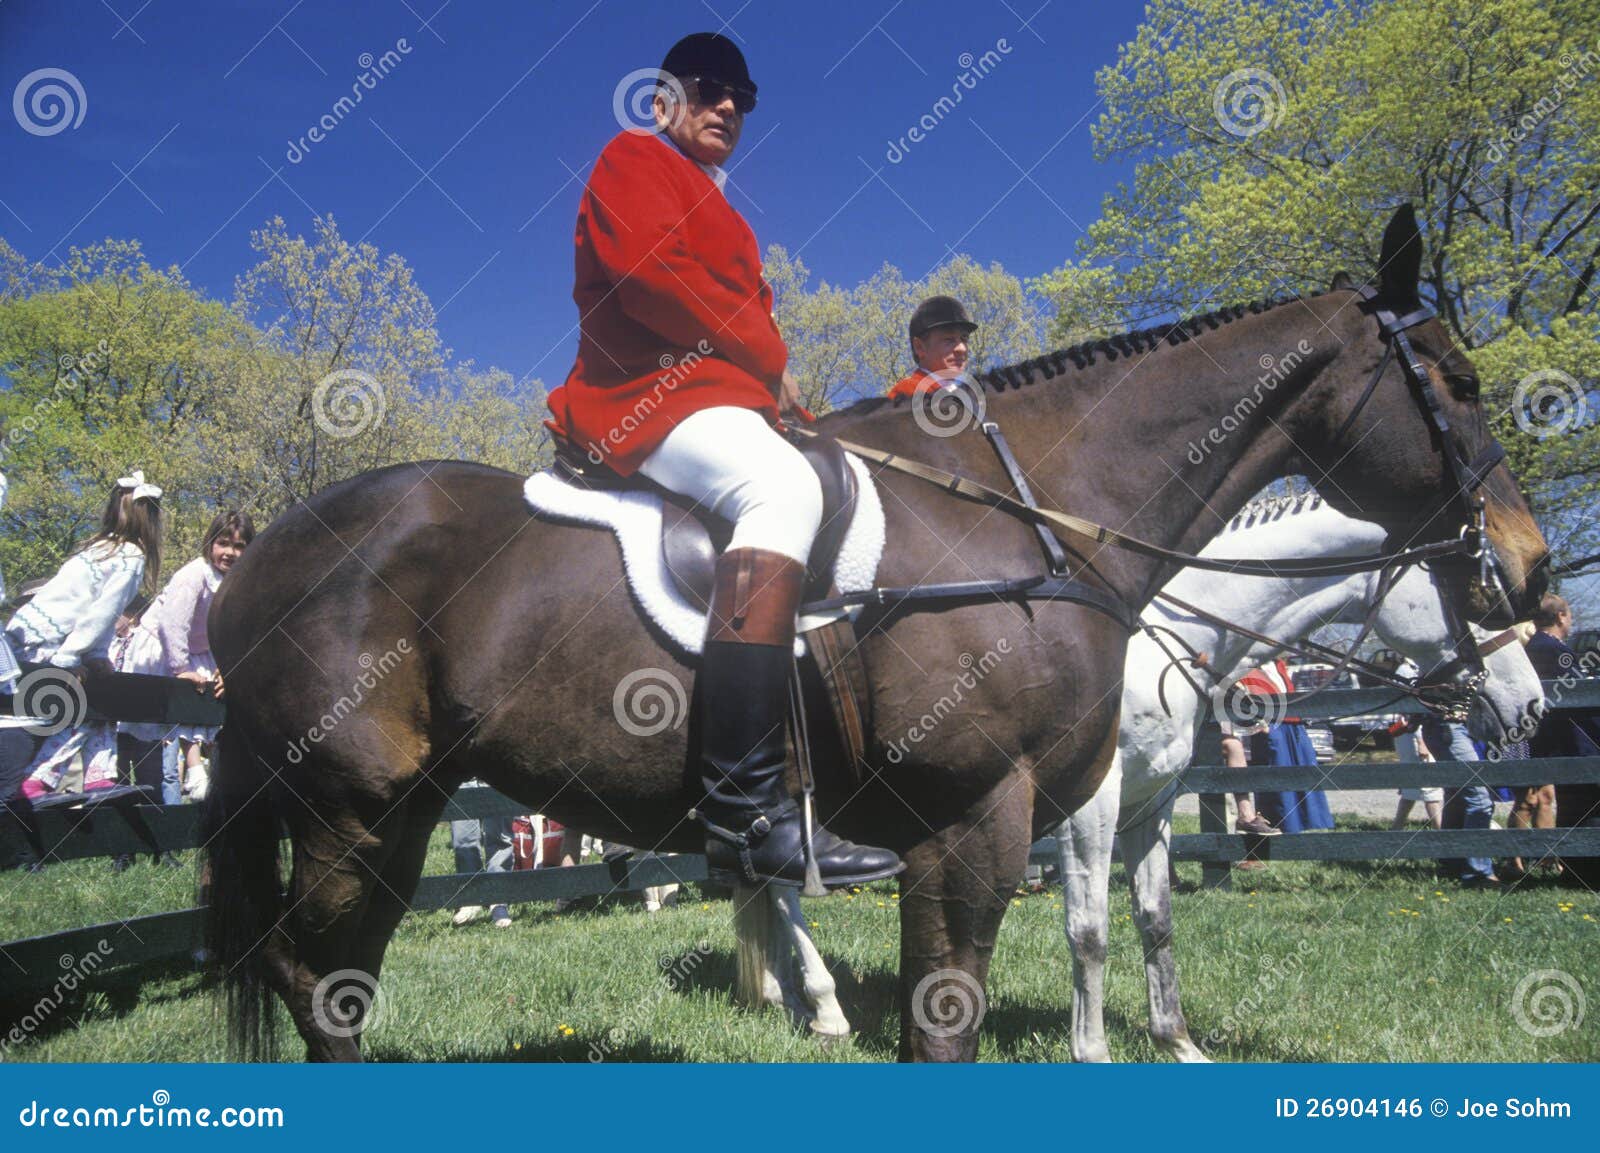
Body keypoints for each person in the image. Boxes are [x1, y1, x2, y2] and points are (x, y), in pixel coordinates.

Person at [544, 32, 900, 888]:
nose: (729, 106)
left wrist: (786, 401)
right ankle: (744, 815)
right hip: (645, 394)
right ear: (664, 100)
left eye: (742, 95)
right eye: (709, 88)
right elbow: (648, 276)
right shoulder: (633, 157)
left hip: (719, 398)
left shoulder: (727, 210)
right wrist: (765, 362)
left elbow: (750, 332)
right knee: (778, 489)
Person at [4, 472, 164, 802]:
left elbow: (98, 613)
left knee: (96, 699)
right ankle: (40, 778)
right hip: (52, 641)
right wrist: (70, 660)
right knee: (84, 703)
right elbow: (101, 614)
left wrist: (95, 657)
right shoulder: (131, 556)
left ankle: (97, 777)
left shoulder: (101, 547)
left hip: (29, 633)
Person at [148, 510, 252, 799]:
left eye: (240, 546)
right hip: (165, 645)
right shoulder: (195, 573)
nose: (230, 552)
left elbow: (234, 632)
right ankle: (194, 772)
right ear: (210, 544)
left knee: (216, 698)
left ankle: (217, 771)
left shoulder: (238, 585)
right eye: (224, 543)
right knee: (187, 693)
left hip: (203, 649)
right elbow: (172, 623)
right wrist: (179, 666)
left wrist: (227, 669)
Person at [1522, 594, 1600, 875]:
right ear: (1560, 617)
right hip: (1573, 740)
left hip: (1565, 740)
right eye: (1569, 614)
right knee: (1585, 805)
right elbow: (1577, 696)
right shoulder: (1551, 649)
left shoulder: (1539, 647)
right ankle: (1586, 869)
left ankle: (1578, 866)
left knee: (1573, 804)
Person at [1238, 660, 1334, 833]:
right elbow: (1242, 696)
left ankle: (1311, 823)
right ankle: (1284, 825)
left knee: (1305, 772)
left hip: (1294, 724)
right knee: (1277, 777)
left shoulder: (1278, 665)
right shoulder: (1246, 667)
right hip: (1271, 726)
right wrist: (1260, 723)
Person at [1422, 715, 1498, 888]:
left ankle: (1453, 863)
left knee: (1457, 797)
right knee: (1479, 799)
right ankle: (1478, 873)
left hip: (1456, 725)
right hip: (1448, 726)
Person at [886, 296, 978, 401]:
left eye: (964, 339)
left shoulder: (968, 395)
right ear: (920, 347)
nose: (962, 348)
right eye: (949, 339)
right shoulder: (907, 393)